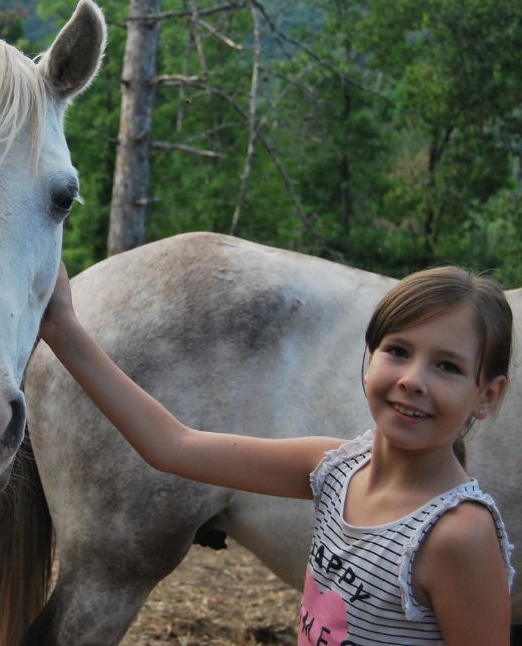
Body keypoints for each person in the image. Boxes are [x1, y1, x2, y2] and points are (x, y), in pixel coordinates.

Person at [39, 262, 515, 646]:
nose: (413, 379)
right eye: (398, 351)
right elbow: (172, 446)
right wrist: (62, 329)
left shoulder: (458, 535)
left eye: (447, 366)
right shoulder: (336, 468)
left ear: (488, 396)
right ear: (369, 361)